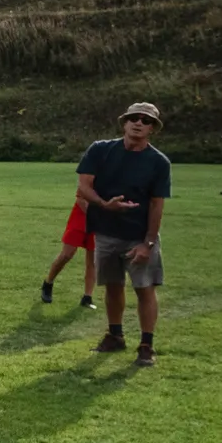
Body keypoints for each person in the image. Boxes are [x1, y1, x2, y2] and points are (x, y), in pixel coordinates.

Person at [76, 102, 171, 367]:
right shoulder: (100, 150)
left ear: (152, 128)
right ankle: (115, 335)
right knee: (113, 287)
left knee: (145, 289)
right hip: (106, 233)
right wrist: (105, 204)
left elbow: (156, 204)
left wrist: (148, 243)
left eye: (146, 120)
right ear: (124, 122)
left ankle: (146, 345)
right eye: (133, 118)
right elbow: (84, 185)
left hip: (139, 236)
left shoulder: (158, 162)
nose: (138, 123)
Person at [41, 197, 97, 309]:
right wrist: (94, 215)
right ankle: (48, 282)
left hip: (99, 220)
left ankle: (87, 296)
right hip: (81, 217)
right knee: (67, 254)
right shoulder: (88, 178)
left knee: (93, 259)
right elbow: (81, 198)